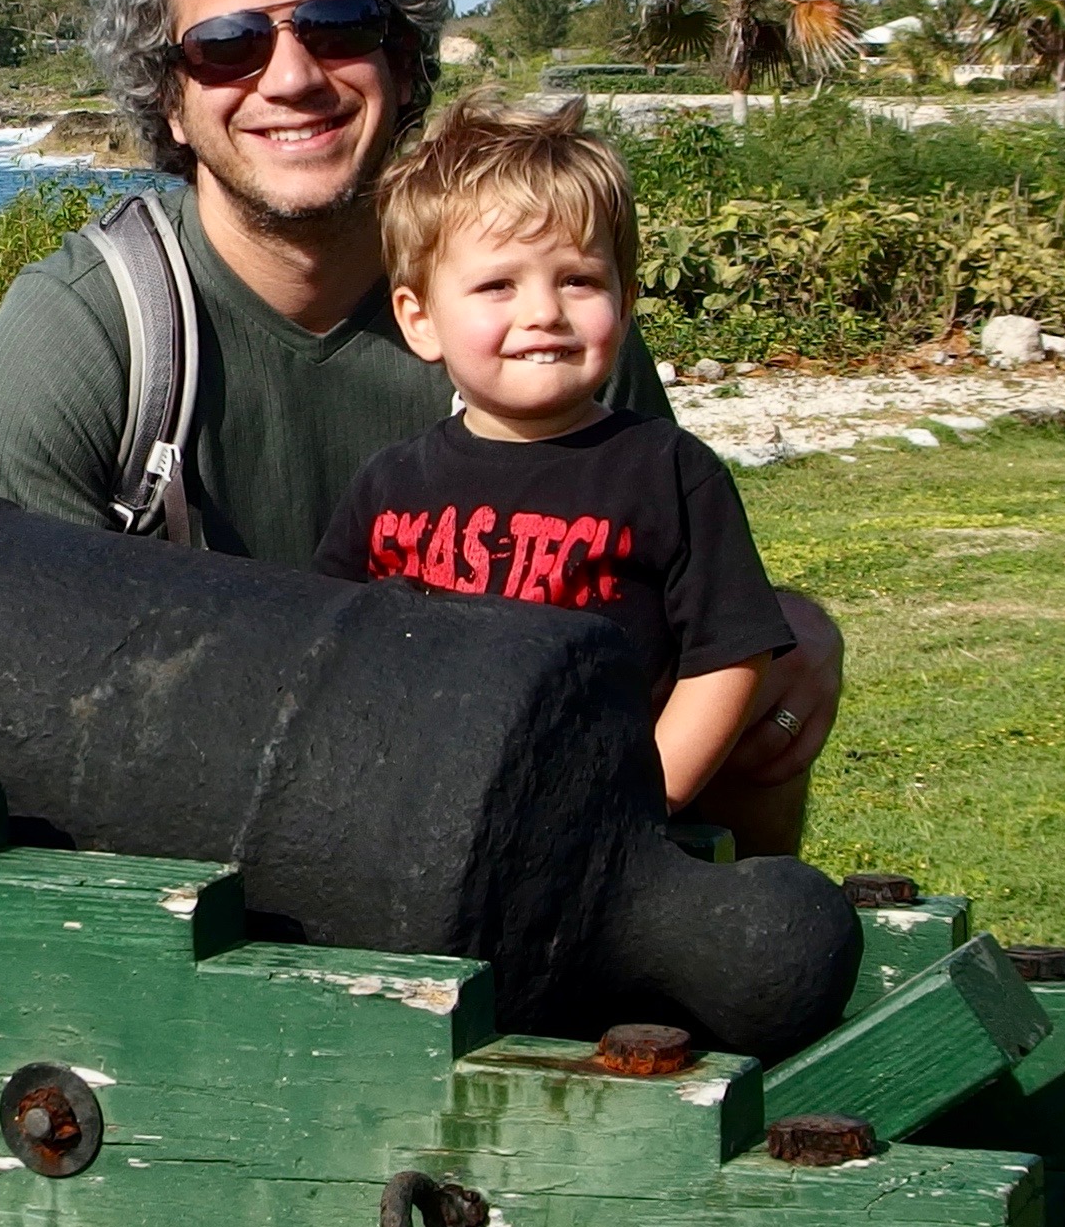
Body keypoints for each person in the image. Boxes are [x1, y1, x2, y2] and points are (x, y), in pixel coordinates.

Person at [0, 0, 842, 819]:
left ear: (404, 61)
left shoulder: (535, 319)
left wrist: (779, 634)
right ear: (168, 100)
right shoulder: (87, 338)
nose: (291, 77)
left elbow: (674, 590)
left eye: (336, 27)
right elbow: (26, 688)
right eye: (228, 45)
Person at [315, 98, 802, 845]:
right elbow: (329, 650)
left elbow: (730, 654)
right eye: (497, 286)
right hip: (418, 821)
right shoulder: (388, 486)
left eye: (578, 279)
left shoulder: (668, 470)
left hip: (605, 829)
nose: (543, 311)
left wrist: (651, 792)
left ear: (625, 301)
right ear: (420, 319)